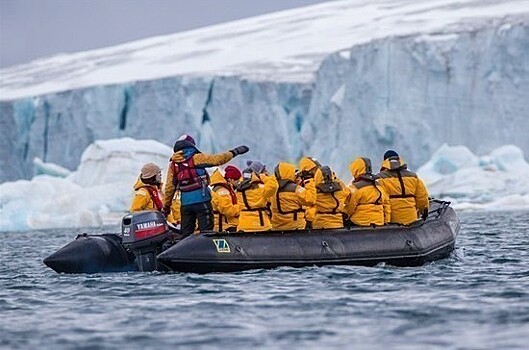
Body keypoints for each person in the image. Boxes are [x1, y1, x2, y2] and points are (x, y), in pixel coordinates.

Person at [162, 134, 249, 237]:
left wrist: (166, 207)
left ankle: (187, 252)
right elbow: (218, 159)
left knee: (186, 234)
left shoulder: (174, 164)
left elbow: (169, 188)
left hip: (185, 205)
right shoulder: (196, 158)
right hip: (202, 201)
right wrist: (235, 152)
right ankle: (205, 252)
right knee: (206, 233)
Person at [376, 150, 429, 225]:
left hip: (392, 220)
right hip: (412, 219)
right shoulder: (413, 177)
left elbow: (379, 200)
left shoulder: (380, 178)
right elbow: (422, 198)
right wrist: (424, 212)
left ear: (385, 162)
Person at [270, 162, 316, 230]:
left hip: (277, 228)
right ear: (289, 173)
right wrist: (308, 182)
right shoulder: (295, 189)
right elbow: (311, 200)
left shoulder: (273, 190)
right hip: (295, 227)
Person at [345, 157, 390, 226]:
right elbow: (386, 204)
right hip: (379, 222)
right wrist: (387, 221)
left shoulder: (355, 187)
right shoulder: (379, 185)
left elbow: (350, 207)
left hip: (360, 222)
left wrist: (345, 216)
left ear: (356, 170)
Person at [236, 161, 279, 232]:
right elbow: (274, 185)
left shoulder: (239, 189)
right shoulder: (261, 188)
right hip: (260, 225)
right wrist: (264, 177)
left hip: (243, 225)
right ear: (258, 173)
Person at [312, 165, 349, 229]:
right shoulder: (340, 191)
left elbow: (307, 201)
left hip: (320, 225)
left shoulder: (315, 193)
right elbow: (348, 193)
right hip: (338, 224)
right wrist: (336, 180)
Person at [210, 165, 241, 232]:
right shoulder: (222, 191)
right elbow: (228, 210)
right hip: (223, 226)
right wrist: (242, 208)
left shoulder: (228, 189)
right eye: (237, 181)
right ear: (230, 179)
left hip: (227, 224)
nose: (238, 183)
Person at [297, 157, 322, 228]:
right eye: (315, 169)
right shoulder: (301, 185)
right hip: (311, 219)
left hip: (319, 218)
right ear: (308, 171)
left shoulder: (324, 181)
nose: (318, 171)